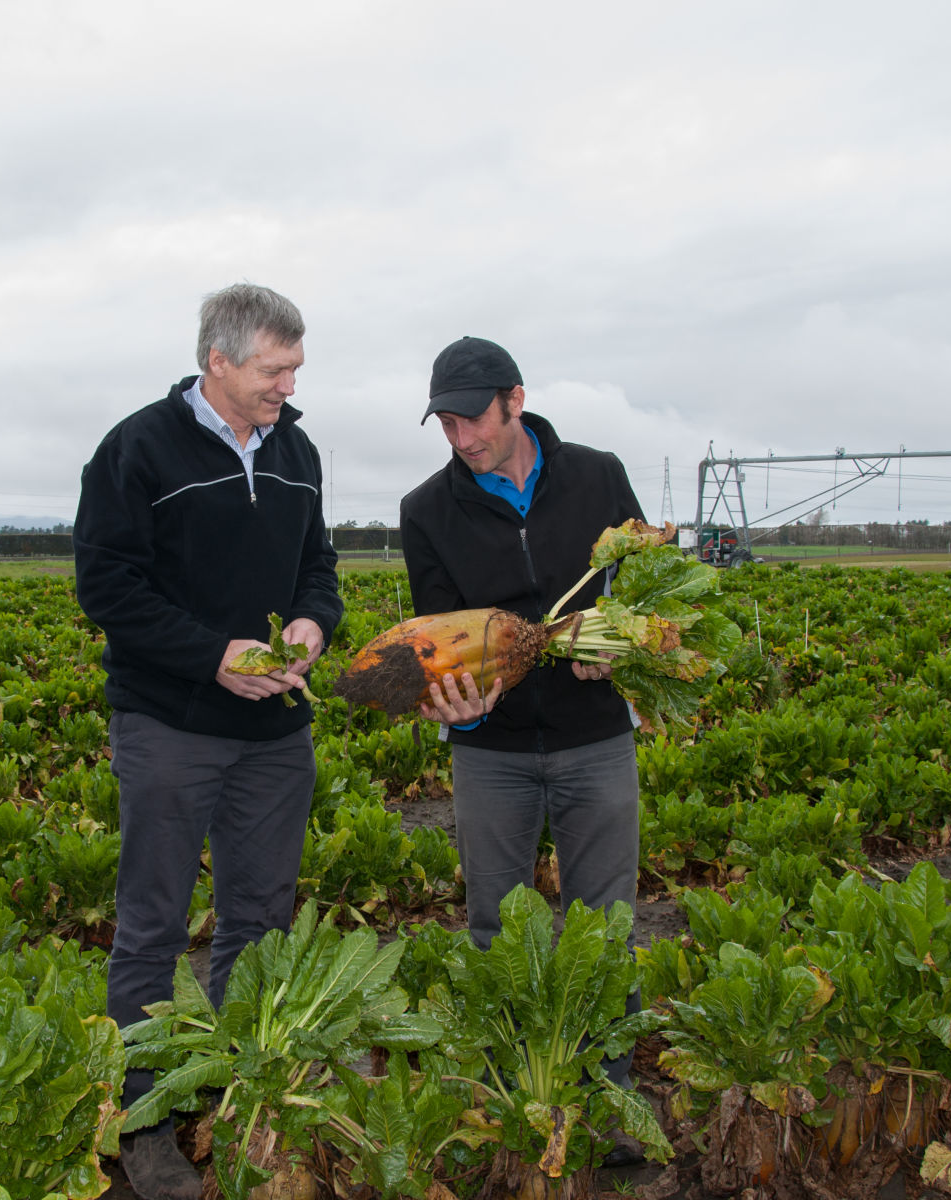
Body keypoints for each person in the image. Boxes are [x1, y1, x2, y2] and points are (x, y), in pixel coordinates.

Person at [74, 284, 342, 1200]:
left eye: (295, 367)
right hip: (170, 725)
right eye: (275, 369)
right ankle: (143, 1119)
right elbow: (107, 587)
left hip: (274, 731)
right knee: (151, 926)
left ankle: (235, 1094)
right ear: (217, 362)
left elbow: (320, 564)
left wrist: (312, 623)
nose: (289, 384)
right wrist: (210, 657)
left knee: (258, 921)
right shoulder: (137, 449)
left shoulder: (297, 447)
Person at [399, 336, 650, 1158]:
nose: (460, 439)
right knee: (494, 927)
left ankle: (607, 1095)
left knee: (603, 925)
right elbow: (437, 637)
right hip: (491, 751)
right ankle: (514, 1094)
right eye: (445, 424)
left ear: (514, 399)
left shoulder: (597, 475)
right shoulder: (426, 510)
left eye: (471, 418)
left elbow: (641, 585)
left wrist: (623, 644)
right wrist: (458, 710)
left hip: (595, 737)